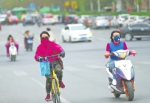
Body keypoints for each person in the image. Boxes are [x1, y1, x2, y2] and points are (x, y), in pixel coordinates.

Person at [34, 31, 65, 101]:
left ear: (48, 37)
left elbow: (59, 48)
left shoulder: (53, 44)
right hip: (46, 64)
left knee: (59, 71)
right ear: (40, 39)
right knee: (49, 79)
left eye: (46, 37)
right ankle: (48, 94)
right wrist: (38, 58)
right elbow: (36, 55)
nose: (44, 39)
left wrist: (62, 52)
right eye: (43, 38)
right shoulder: (39, 47)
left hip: (55, 61)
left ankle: (60, 81)